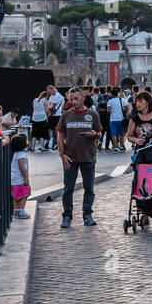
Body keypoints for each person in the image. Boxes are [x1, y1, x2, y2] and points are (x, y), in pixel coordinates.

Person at [56, 88, 101, 228]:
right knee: (68, 188)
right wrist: (62, 155)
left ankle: (87, 214)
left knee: (89, 188)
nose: (73, 101)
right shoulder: (66, 115)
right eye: (71, 99)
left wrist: (94, 134)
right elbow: (60, 136)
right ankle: (67, 216)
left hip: (88, 157)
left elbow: (99, 133)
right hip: (70, 158)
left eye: (75, 98)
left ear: (83, 98)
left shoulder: (92, 114)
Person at [10, 133, 31, 219]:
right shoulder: (21, 156)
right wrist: (26, 178)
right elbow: (22, 167)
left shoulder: (15, 154)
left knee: (16, 197)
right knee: (25, 194)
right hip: (20, 180)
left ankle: (16, 211)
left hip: (14, 180)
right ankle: (21, 211)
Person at [45, 84, 65, 151]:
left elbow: (52, 106)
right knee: (50, 130)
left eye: (49, 91)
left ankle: (57, 144)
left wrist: (46, 108)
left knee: (57, 130)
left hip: (57, 116)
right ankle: (48, 143)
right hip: (51, 115)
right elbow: (49, 104)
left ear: (52, 89)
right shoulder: (52, 96)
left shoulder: (58, 96)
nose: (49, 93)